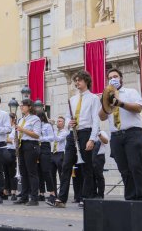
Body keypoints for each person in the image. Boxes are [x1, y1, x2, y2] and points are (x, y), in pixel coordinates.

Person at [98, 68, 142, 201]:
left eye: (115, 76)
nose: (113, 79)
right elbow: (102, 117)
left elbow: (138, 108)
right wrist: (105, 103)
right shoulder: (106, 95)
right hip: (116, 136)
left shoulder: (130, 92)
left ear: (121, 79)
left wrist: (119, 103)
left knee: (135, 165)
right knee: (124, 169)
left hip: (132, 133)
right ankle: (131, 198)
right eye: (110, 77)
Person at [55, 70, 100, 208]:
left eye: (79, 80)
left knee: (87, 168)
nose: (77, 83)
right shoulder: (72, 99)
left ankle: (86, 197)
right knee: (66, 165)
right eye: (75, 81)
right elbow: (68, 117)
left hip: (86, 133)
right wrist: (69, 123)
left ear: (86, 81)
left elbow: (96, 120)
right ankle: (61, 198)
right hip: (72, 134)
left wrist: (92, 139)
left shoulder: (94, 98)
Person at [13, 98, 41, 206]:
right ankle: (24, 196)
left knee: (32, 172)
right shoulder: (21, 120)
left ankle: (34, 198)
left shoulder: (35, 119)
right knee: (23, 173)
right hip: (22, 145)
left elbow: (37, 134)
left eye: (23, 106)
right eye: (20, 106)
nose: (21, 107)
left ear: (29, 107)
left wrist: (22, 130)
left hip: (31, 145)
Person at [36, 111, 57, 206]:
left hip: (45, 148)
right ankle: (41, 193)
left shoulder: (47, 126)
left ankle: (52, 193)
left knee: (46, 171)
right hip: (37, 148)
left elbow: (52, 138)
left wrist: (41, 138)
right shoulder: (36, 126)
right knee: (38, 171)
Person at [2, 113, 19, 201]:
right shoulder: (5, 129)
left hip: (12, 151)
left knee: (12, 173)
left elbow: (14, 140)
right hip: (4, 150)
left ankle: (13, 192)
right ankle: (5, 191)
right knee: (5, 172)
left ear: (13, 119)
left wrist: (4, 140)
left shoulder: (15, 128)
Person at [51, 116, 67, 197]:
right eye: (57, 121)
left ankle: (62, 194)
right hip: (53, 154)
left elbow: (57, 139)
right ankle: (54, 194)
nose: (58, 122)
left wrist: (51, 128)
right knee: (52, 175)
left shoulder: (65, 132)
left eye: (60, 121)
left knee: (61, 175)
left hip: (60, 154)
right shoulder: (54, 131)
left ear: (64, 123)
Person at [92, 131, 109, 199]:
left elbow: (106, 141)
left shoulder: (102, 132)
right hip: (90, 156)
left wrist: (98, 134)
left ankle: (100, 195)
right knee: (91, 176)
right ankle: (93, 194)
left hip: (99, 156)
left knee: (99, 176)